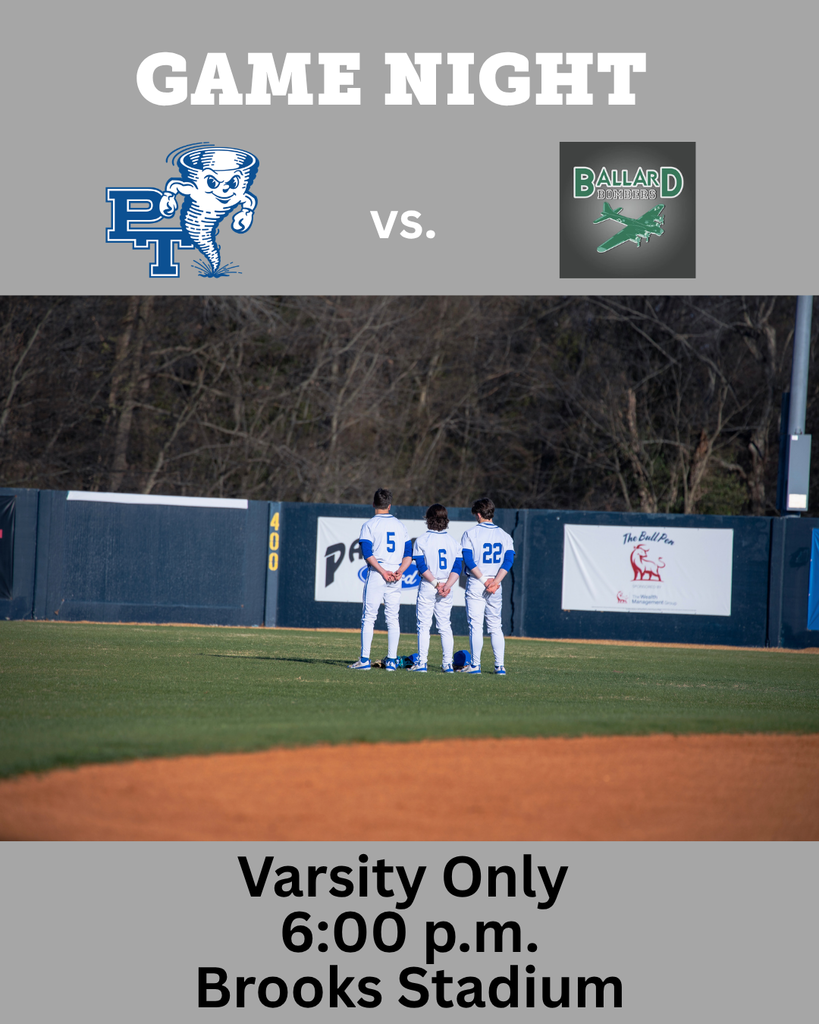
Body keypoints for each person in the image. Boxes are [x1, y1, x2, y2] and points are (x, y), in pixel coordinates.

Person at [348, 488, 412, 671]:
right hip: (395, 576)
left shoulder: (369, 525)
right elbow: (409, 554)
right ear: (390, 505)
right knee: (393, 618)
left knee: (369, 617)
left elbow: (367, 554)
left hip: (379, 574)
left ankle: (364, 660)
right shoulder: (400, 526)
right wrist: (399, 571)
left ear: (373, 504)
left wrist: (383, 571)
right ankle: (391, 661)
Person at [458, 497, 514, 675]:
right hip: (495, 585)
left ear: (479, 514)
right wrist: (495, 582)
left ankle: (475, 665)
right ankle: (500, 666)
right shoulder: (504, 535)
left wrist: (485, 581)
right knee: (496, 626)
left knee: (476, 626)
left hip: (477, 582)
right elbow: (509, 560)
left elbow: (468, 560)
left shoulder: (470, 533)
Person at [410, 504, 463, 673]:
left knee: (424, 625)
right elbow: (457, 567)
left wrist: (435, 584)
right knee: (445, 625)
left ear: (428, 519)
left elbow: (420, 565)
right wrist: (446, 586)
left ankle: (422, 663)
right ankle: (447, 664)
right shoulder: (453, 541)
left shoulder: (422, 540)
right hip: (446, 586)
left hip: (429, 585)